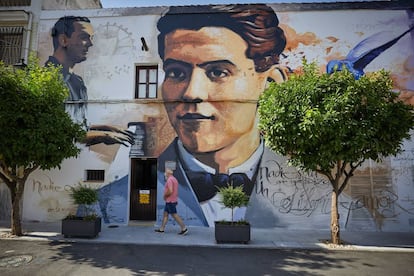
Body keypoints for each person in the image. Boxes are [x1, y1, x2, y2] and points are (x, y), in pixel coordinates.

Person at [156, 4, 292, 227]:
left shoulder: (339, 208)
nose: (192, 93)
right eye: (176, 73)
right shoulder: (111, 202)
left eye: (218, 72)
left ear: (269, 83)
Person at [46, 16, 134, 147]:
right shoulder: (49, 80)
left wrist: (108, 129)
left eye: (91, 38)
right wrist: (105, 136)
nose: (90, 43)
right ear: (64, 40)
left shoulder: (77, 82)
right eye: (83, 37)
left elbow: (80, 128)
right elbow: (63, 133)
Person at [155, 169, 188, 235]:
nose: (164, 174)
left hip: (170, 201)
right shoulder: (174, 179)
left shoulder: (169, 180)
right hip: (172, 200)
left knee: (174, 215)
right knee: (165, 214)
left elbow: (170, 190)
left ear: (168, 173)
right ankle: (162, 229)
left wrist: (165, 195)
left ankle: (184, 228)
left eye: (165, 173)